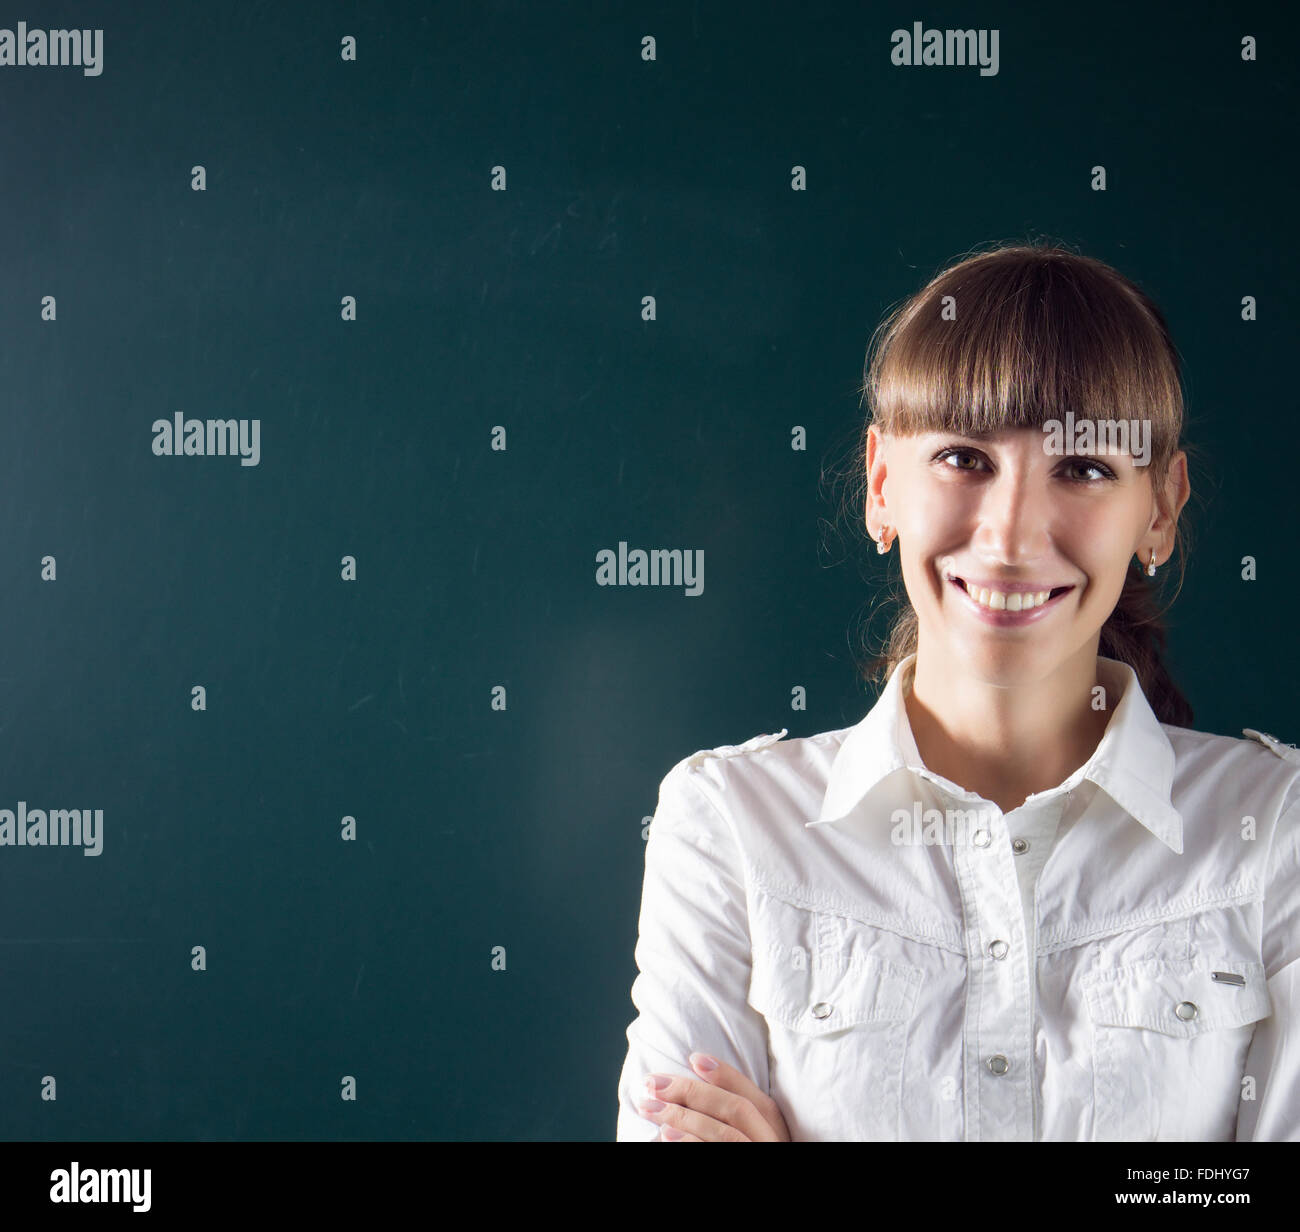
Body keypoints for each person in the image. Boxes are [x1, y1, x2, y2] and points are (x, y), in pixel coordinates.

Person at [614, 241, 1300, 1141]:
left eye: (1084, 467)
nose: (1010, 535)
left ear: (1161, 508)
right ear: (882, 483)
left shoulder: (1279, 828)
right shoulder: (728, 826)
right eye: (964, 458)